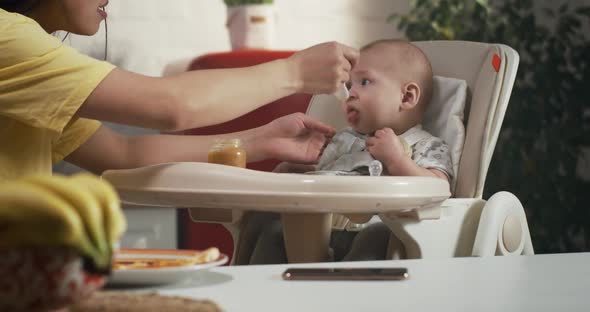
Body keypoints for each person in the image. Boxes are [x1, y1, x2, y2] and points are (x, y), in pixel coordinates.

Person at [0, 0, 360, 180]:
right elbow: (170, 106)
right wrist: (294, 71)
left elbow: (121, 153)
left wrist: (258, 142)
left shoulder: (32, 63)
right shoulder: (7, 37)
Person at [241, 39, 454, 264]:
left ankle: (349, 293)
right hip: (313, 230)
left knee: (378, 237)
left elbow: (438, 187)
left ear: (407, 97)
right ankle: (252, 286)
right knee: (269, 226)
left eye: (364, 81)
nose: (350, 94)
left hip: (369, 230)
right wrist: (301, 171)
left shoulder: (427, 145)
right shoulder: (344, 139)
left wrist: (398, 160)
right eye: (349, 85)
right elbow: (330, 174)